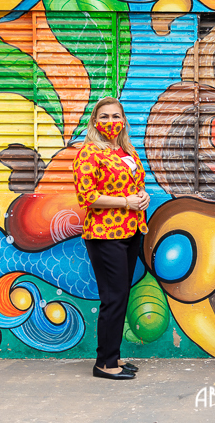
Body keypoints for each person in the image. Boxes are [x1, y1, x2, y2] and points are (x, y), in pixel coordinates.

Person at [74, 97, 150, 380]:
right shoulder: (89, 153)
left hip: (130, 231)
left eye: (116, 116)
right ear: (95, 121)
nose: (110, 122)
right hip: (105, 235)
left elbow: (136, 185)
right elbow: (87, 196)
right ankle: (104, 364)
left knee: (120, 296)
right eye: (104, 116)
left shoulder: (126, 150)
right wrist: (126, 202)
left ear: (123, 120)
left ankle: (113, 356)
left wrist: (142, 196)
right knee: (113, 298)